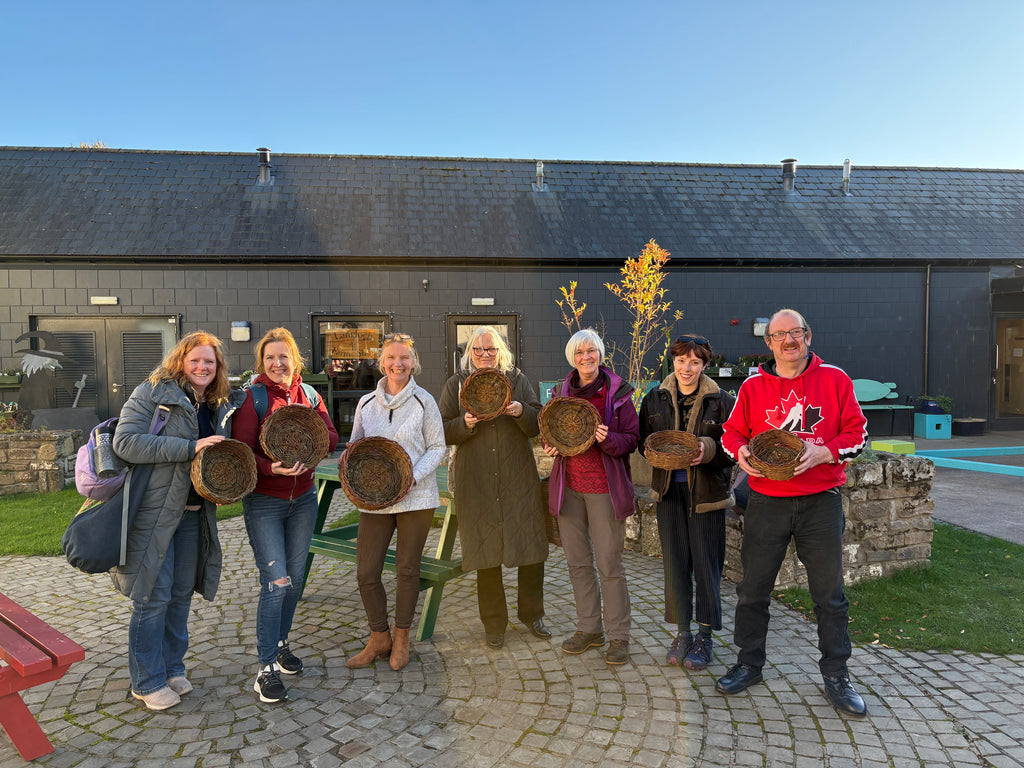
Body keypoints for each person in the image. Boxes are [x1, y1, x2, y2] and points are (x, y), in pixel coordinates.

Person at [716, 308, 869, 716]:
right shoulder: (753, 387)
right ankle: (749, 664)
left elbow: (858, 433)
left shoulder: (835, 380)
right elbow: (732, 434)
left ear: (808, 336)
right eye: (779, 335)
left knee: (829, 596)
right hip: (767, 501)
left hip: (821, 501)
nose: (788, 341)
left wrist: (826, 451)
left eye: (796, 333)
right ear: (768, 343)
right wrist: (742, 452)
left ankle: (837, 675)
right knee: (752, 589)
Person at [112, 331, 247, 711]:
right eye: (196, 360)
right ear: (181, 361)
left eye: (210, 362)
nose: (203, 367)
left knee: (179, 596)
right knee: (152, 597)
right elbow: (126, 443)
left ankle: (172, 667)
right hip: (154, 513)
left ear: (218, 367)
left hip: (194, 513)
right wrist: (190, 447)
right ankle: (146, 680)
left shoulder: (218, 404)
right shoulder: (152, 393)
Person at [232, 327, 339, 703]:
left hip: (304, 500)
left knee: (294, 581)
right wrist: (270, 468)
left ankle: (280, 645)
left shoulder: (309, 394)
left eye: (284, 357)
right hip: (265, 501)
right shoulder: (253, 398)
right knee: (275, 582)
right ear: (262, 362)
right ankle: (264, 670)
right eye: (270, 358)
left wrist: (309, 441)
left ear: (295, 359)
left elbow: (331, 434)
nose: (278, 364)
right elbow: (242, 452)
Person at [439, 326, 549, 649]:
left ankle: (532, 615)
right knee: (485, 550)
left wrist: (520, 411)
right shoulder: (456, 385)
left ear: (501, 351)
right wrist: (465, 424)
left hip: (517, 476)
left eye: (491, 349)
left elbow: (538, 422)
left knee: (529, 544)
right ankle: (494, 622)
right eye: (478, 350)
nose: (485, 355)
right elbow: (442, 430)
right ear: (469, 354)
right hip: (476, 479)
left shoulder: (516, 380)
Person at [345, 333, 446, 671]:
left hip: (416, 498)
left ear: (413, 363)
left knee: (407, 570)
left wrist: (410, 477)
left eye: (404, 358)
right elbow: (356, 445)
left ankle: (402, 637)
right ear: (382, 362)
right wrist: (352, 461)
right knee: (366, 571)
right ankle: (379, 636)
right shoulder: (365, 404)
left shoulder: (424, 402)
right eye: (391, 357)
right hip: (374, 500)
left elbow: (437, 448)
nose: (398, 364)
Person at [638, 334, 736, 671]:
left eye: (695, 362)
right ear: (673, 362)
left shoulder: (722, 401)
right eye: (681, 361)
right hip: (669, 493)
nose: (687, 368)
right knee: (675, 565)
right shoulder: (655, 398)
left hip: (706, 496)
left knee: (707, 568)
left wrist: (707, 450)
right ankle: (682, 632)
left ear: (706, 364)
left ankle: (705, 637)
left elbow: (734, 449)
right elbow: (643, 442)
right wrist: (656, 452)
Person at [544, 328, 640, 665]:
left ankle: (618, 637)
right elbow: (550, 433)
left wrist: (607, 438)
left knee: (609, 565)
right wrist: (551, 444)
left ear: (600, 354)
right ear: (572, 357)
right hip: (569, 488)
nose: (587, 357)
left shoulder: (619, 393)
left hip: (605, 491)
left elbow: (632, 439)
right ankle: (590, 629)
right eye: (580, 353)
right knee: (578, 564)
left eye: (592, 351)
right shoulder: (559, 393)